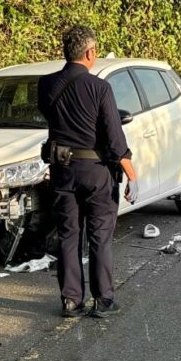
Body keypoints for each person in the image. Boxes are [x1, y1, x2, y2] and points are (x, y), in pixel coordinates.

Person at [37, 25, 138, 320]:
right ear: (91, 53)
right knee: (100, 236)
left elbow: (50, 116)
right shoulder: (100, 88)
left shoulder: (45, 85)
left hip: (62, 170)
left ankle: (71, 301)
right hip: (96, 172)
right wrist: (131, 173)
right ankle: (103, 300)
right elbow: (115, 139)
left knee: (68, 235)